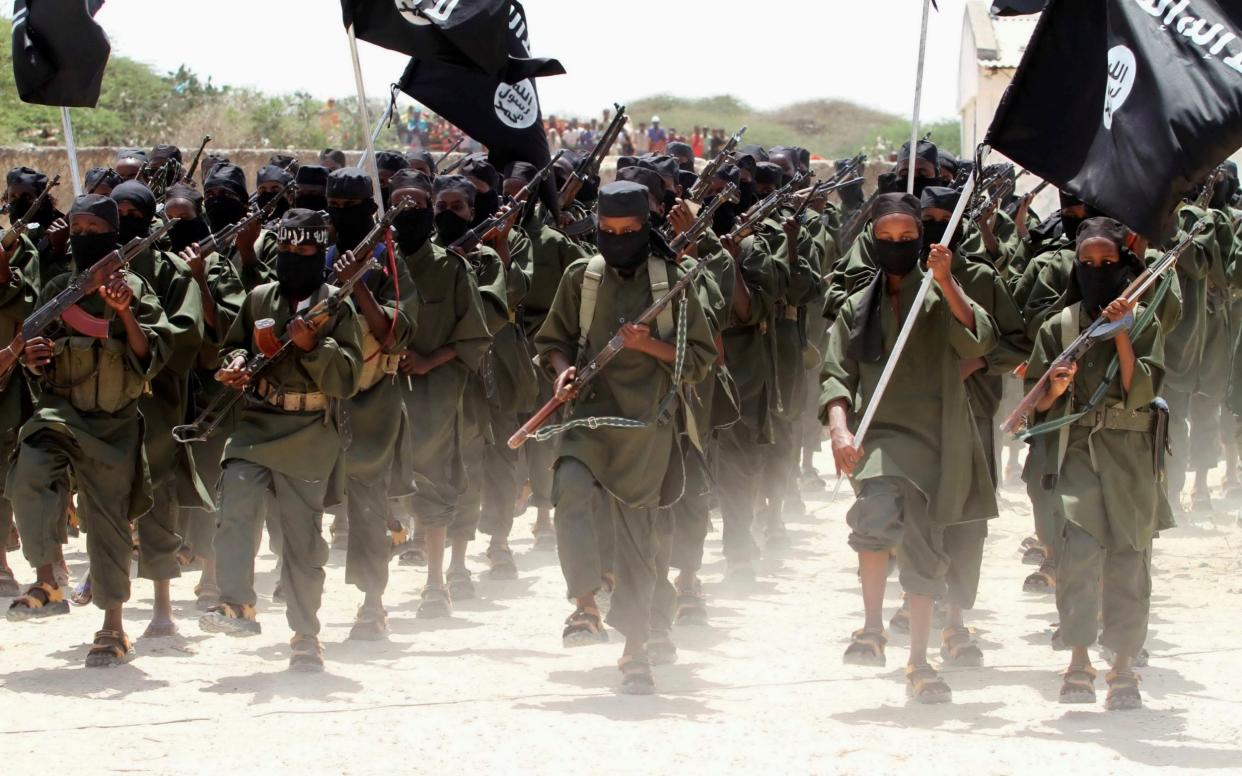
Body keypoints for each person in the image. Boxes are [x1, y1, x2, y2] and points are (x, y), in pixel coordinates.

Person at [535, 180, 716, 694]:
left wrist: (649, 346)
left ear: (647, 229)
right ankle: (586, 601)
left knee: (640, 539)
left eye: (630, 232)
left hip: (645, 425)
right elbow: (553, 342)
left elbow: (700, 361)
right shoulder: (582, 277)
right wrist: (562, 372)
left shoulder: (673, 282)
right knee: (568, 485)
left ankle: (637, 650)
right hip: (589, 417)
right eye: (608, 232)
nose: (618, 240)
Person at [822, 193, 998, 704]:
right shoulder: (858, 307)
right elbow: (835, 374)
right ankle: (872, 627)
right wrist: (839, 428)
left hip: (936, 437)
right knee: (873, 516)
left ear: (922, 240)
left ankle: (919, 661)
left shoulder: (939, 296)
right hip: (878, 434)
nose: (896, 247)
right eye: (886, 239)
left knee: (925, 545)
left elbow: (978, 339)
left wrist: (945, 280)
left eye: (906, 238)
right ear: (871, 241)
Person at [6, 194, 174, 668]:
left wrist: (122, 312)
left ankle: (113, 628)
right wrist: (34, 362)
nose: (82, 237)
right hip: (61, 412)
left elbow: (151, 358)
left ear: (113, 234)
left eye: (93, 230)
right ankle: (48, 577)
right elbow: (39, 354)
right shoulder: (61, 285)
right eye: (76, 230)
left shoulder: (137, 288)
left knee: (109, 526)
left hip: (115, 422)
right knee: (29, 469)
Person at [198, 208, 364, 672]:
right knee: (234, 498)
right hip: (257, 421)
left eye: (303, 249)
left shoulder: (337, 305)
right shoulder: (260, 298)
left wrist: (314, 346)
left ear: (319, 250)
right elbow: (234, 345)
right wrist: (234, 365)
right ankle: (236, 603)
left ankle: (305, 635)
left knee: (302, 543)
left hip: (311, 429)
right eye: (285, 248)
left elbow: (349, 377)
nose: (293, 257)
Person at [1024, 217, 1169, 711]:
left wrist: (1123, 333)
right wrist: (1056, 389)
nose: (1097, 271)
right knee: (1080, 554)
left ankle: (1123, 667)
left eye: (1108, 264)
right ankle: (1079, 659)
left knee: (1129, 561)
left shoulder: (1147, 320)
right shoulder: (1057, 327)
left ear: (1125, 267)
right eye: (1087, 264)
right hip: (1078, 453)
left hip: (1129, 456)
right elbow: (1035, 406)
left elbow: (1141, 392)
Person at [111, 180, 208, 638]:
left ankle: (162, 607)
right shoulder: (94, 267)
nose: (125, 217)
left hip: (158, 401)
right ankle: (110, 608)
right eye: (118, 210)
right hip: (103, 400)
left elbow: (186, 333)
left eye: (134, 211)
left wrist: (146, 337)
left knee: (157, 500)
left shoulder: (172, 271)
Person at [324, 168, 418, 639]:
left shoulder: (390, 263)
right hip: (315, 401)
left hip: (371, 400)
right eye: (335, 206)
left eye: (352, 206)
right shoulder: (312, 254)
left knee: (366, 506)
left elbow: (393, 332)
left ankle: (371, 603)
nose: (343, 214)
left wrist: (358, 283)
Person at [393, 173, 491, 616]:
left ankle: (439, 581)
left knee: (437, 481)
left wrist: (429, 361)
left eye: (417, 204)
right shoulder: (379, 267)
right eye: (400, 205)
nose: (409, 213)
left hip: (439, 393)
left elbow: (473, 336)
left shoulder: (453, 269)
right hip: (383, 392)